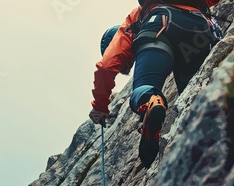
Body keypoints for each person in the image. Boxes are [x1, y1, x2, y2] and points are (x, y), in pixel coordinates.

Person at [89, 0, 221, 168]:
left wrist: (100, 106)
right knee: (191, 90)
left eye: (127, 64)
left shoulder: (134, 19)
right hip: (198, 30)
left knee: (145, 87)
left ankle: (151, 100)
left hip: (159, 29)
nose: (129, 65)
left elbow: (105, 66)